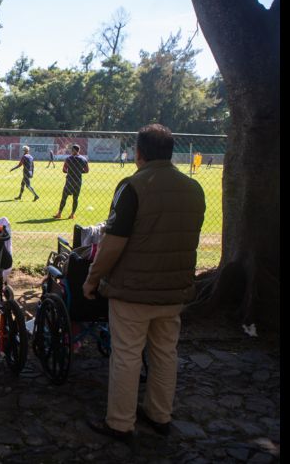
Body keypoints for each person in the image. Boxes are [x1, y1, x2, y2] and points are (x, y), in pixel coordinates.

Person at [82, 124, 205, 446]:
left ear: (139, 153)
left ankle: (121, 423)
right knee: (165, 353)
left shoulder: (133, 186)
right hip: (175, 288)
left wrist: (92, 279)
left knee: (127, 355)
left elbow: (112, 243)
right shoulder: (194, 188)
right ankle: (160, 415)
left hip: (134, 290)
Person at [54, 144, 89, 219]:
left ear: (74, 150)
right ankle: (72, 214)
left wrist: (70, 171)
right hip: (78, 181)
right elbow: (87, 170)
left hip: (69, 181)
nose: (71, 151)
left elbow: (64, 170)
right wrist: (79, 171)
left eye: (72, 150)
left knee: (64, 197)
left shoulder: (68, 159)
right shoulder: (84, 159)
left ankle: (59, 213)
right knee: (75, 198)